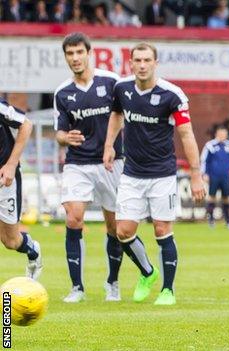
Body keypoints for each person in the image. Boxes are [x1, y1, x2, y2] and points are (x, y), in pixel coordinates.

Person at [103, 42, 206, 305]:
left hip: (162, 175)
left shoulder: (173, 95)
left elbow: (186, 135)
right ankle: (147, 272)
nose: (141, 65)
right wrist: (109, 146)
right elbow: (116, 115)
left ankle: (167, 290)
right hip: (132, 174)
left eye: (147, 60)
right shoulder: (122, 89)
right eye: (137, 60)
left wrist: (196, 175)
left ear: (155, 63)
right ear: (131, 62)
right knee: (123, 231)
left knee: (162, 229)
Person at [54, 32, 125, 303]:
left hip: (111, 163)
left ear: (89, 53)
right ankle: (77, 288)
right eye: (70, 54)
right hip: (78, 163)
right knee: (73, 217)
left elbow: (122, 117)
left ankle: (113, 283)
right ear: (66, 58)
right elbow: (60, 132)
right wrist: (64, 137)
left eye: (79, 52)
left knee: (115, 227)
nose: (75, 58)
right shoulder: (63, 92)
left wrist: (112, 144)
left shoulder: (111, 83)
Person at [0, 100, 42, 280]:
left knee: (11, 241)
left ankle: (34, 251)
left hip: (4, 178)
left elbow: (26, 125)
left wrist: (10, 165)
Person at [200, 125, 229, 229]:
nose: (223, 135)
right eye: (221, 133)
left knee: (226, 198)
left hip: (225, 176)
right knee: (212, 197)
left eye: (225, 134)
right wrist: (204, 173)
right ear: (217, 134)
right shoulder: (210, 145)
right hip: (213, 176)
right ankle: (211, 219)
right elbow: (204, 161)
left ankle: (228, 220)